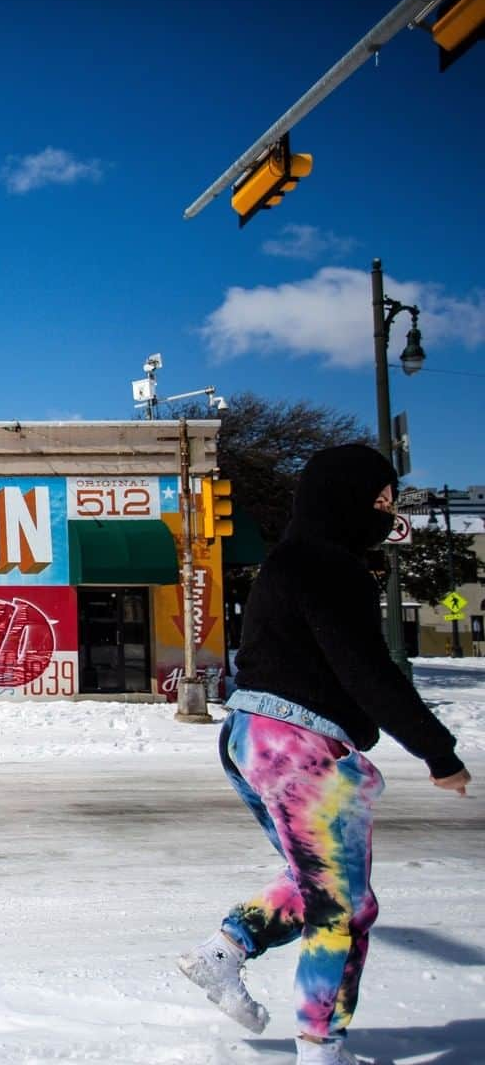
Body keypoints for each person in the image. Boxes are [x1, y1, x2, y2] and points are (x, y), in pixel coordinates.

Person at [177, 444, 471, 1065]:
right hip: (301, 745)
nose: (387, 512)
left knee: (314, 884)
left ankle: (224, 950)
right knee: (343, 907)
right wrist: (436, 751)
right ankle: (322, 1048)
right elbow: (367, 670)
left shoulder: (286, 563)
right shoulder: (328, 566)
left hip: (250, 735)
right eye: (380, 499)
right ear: (344, 498)